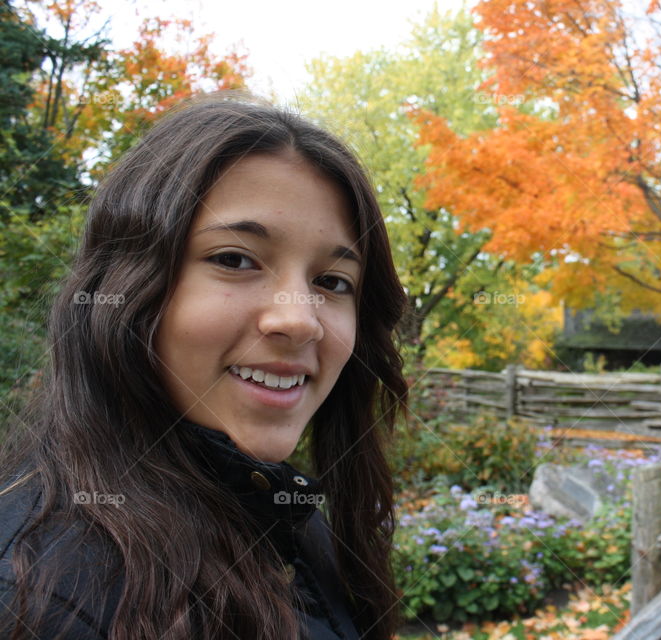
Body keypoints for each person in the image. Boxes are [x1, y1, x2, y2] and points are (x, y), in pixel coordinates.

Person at [0, 94, 408, 640]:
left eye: (332, 282)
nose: (300, 321)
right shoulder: (40, 598)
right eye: (234, 259)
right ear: (127, 290)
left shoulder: (288, 520)